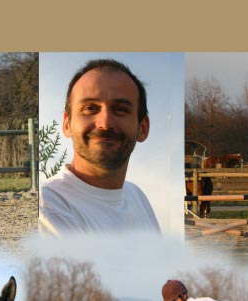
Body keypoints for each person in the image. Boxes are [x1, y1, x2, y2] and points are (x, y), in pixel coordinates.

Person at [40, 58, 160, 236]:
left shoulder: (137, 196)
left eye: (120, 109)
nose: (105, 123)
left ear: (143, 128)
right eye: (90, 108)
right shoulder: (49, 207)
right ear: (67, 124)